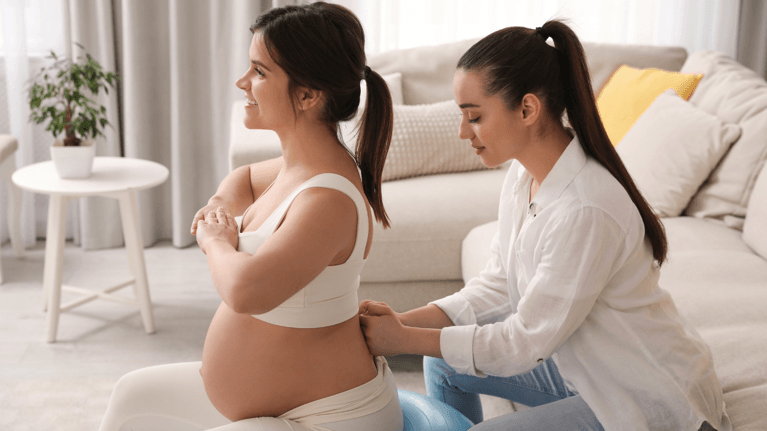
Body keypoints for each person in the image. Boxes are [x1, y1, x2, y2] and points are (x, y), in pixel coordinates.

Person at [358, 20, 729, 431]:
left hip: (643, 397)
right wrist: (405, 320)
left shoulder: (586, 209)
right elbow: (498, 285)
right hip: (585, 370)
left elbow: (524, 342)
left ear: (528, 109)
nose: (463, 132)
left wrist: (402, 340)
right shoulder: (523, 177)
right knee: (442, 363)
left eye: (474, 117)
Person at [99, 3, 403, 431]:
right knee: (132, 395)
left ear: (307, 94)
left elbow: (245, 290)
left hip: (329, 418)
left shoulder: (327, 200)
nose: (243, 83)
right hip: (277, 405)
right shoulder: (300, 167)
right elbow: (241, 178)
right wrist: (221, 203)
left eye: (259, 72)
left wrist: (217, 241)